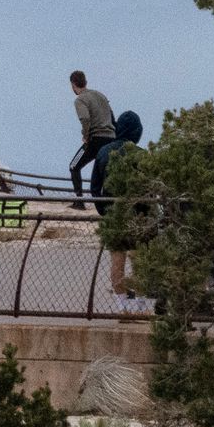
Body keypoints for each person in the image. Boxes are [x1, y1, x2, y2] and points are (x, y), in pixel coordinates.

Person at [91, 109, 146, 298]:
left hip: (113, 217)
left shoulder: (103, 152)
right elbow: (148, 189)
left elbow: (95, 188)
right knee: (139, 266)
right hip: (138, 219)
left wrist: (105, 212)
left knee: (117, 264)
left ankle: (123, 307)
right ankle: (139, 307)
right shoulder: (141, 155)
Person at [67, 69, 117, 205]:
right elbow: (112, 117)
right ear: (86, 82)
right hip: (111, 139)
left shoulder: (80, 100)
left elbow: (85, 119)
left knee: (73, 166)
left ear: (73, 84)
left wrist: (86, 136)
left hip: (95, 139)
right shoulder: (101, 95)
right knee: (107, 170)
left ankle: (79, 201)